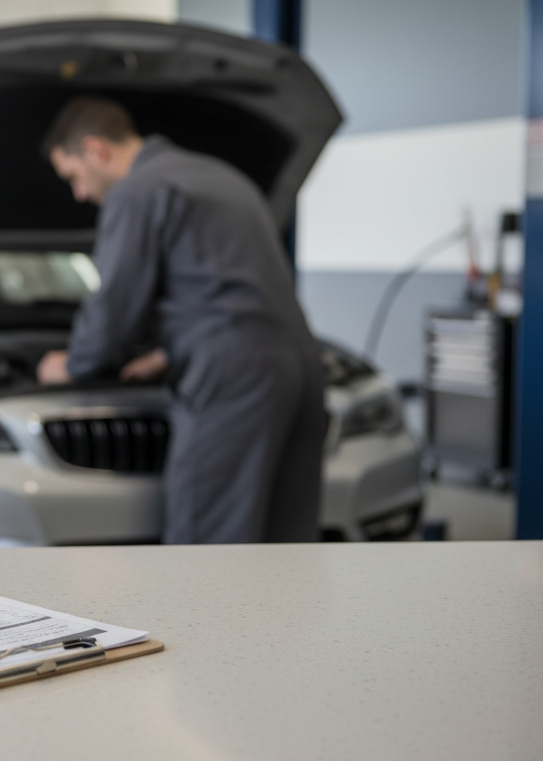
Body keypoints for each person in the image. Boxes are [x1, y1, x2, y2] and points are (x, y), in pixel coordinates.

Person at [36, 96, 327, 544]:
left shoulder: (138, 191)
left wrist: (74, 363)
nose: (81, 194)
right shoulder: (218, 176)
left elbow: (118, 301)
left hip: (233, 371)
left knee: (203, 544)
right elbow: (230, 283)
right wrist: (170, 350)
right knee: (284, 544)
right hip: (300, 363)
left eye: (73, 176)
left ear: (95, 150)